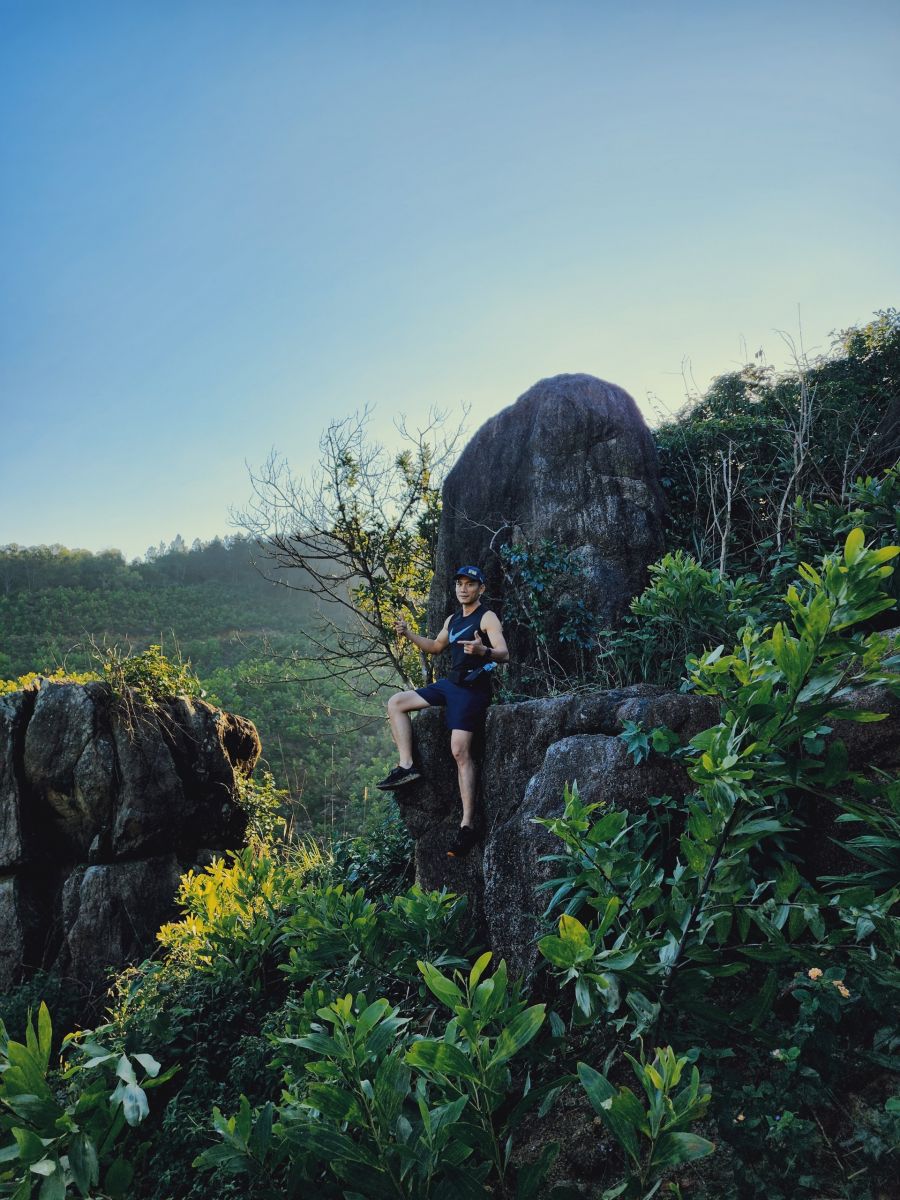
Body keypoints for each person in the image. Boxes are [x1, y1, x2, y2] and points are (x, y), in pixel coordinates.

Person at [376, 565, 509, 857]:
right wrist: (409, 633)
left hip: (473, 689)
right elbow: (436, 647)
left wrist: (483, 650)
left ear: (480, 589)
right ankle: (407, 766)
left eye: (470, 584)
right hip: (451, 685)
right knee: (396, 703)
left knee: (459, 750)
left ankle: (467, 825)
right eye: (459, 583)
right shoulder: (452, 619)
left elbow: (504, 653)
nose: (463, 588)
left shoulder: (486, 617)